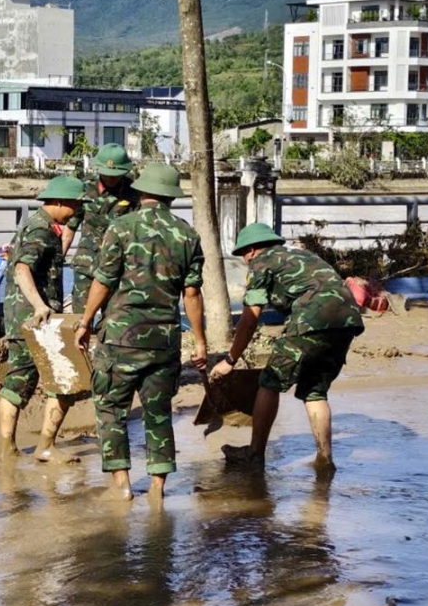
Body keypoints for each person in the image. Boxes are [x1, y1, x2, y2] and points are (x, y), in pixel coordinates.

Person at [74, 163, 208, 503]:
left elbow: (103, 281)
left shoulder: (121, 227)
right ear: (170, 197)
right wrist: (201, 341)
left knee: (111, 408)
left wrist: (85, 322)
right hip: (163, 342)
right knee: (158, 413)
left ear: (143, 192)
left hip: (120, 339)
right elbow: (191, 295)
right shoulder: (187, 236)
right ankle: (158, 488)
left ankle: (122, 482)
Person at [209, 224, 364, 473]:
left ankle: (254, 454)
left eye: (244, 256)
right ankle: (325, 459)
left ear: (251, 250)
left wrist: (230, 360)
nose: (245, 261)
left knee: (269, 381)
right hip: (347, 323)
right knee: (315, 391)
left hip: (310, 321)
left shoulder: (262, 263)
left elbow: (250, 318)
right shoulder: (304, 255)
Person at [0, 175, 88, 463]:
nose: (77, 210)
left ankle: (8, 449)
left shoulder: (37, 225)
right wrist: (39, 306)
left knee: (16, 382)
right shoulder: (41, 230)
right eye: (74, 204)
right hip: (38, 321)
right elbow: (23, 269)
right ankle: (44, 447)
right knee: (64, 381)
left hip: (19, 319)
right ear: (60, 202)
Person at [61, 143, 141, 313]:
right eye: (107, 173)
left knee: (113, 318)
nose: (111, 178)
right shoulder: (85, 189)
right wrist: (58, 258)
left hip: (119, 265)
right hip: (87, 264)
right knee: (80, 318)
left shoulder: (133, 192)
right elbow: (70, 229)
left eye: (116, 174)